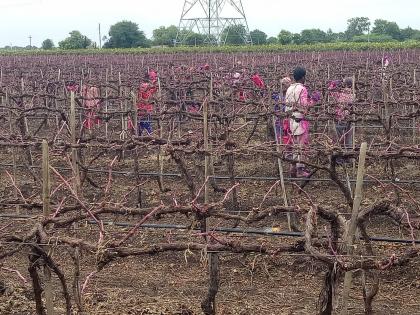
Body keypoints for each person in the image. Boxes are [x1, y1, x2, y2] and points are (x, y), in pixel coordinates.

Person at [285, 67, 320, 177]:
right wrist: (313, 101)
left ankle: (293, 168)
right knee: (301, 146)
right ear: (303, 77)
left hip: (292, 119)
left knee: (295, 144)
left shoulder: (289, 88)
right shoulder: (302, 89)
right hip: (300, 120)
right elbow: (304, 106)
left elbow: (286, 106)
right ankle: (300, 170)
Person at [328, 77, 355, 151]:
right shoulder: (353, 95)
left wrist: (334, 83)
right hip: (348, 119)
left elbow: (330, 90)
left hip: (340, 119)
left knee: (339, 139)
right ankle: (349, 155)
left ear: (344, 84)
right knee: (348, 139)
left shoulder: (339, 94)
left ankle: (339, 156)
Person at [136, 70, 158, 135]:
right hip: (147, 108)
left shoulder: (141, 86)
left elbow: (139, 98)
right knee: (147, 123)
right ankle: (149, 135)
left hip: (141, 108)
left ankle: (141, 135)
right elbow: (153, 90)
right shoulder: (148, 86)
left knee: (141, 122)